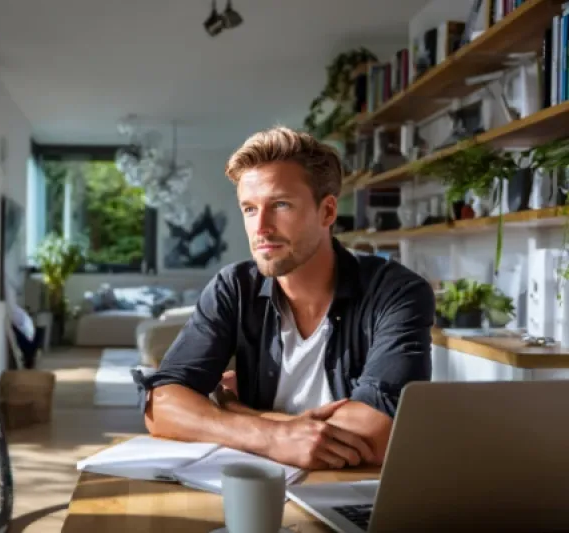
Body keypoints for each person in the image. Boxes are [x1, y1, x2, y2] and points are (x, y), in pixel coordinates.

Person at [134, 126, 435, 471]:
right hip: (256, 482)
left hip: (355, 493)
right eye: (249, 209)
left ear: (327, 212)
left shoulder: (397, 293)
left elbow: (380, 432)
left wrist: (233, 411)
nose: (260, 227)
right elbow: (160, 405)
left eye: (280, 205)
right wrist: (272, 436)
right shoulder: (233, 287)